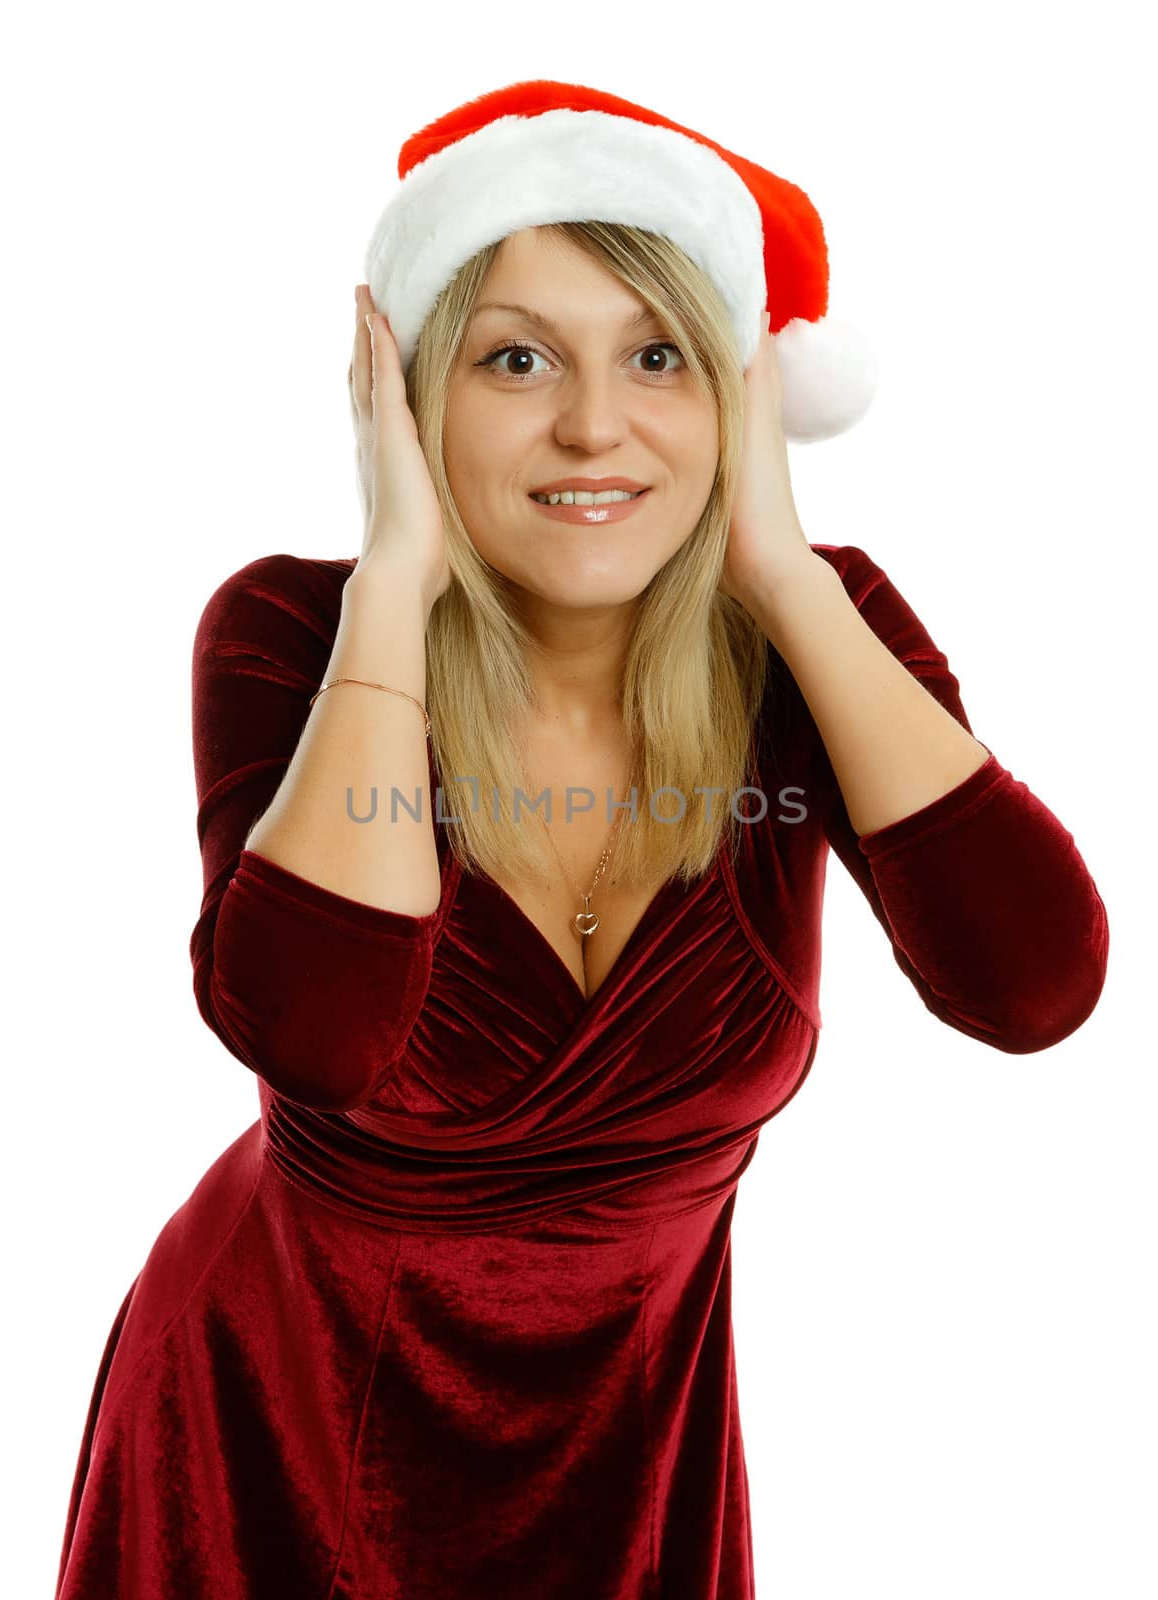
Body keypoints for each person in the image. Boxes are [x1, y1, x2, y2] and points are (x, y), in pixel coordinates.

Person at [54, 80, 1110, 1600]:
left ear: (742, 394)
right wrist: (396, 586)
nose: (595, 425)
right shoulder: (294, 631)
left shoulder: (818, 642)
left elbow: (1033, 988)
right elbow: (318, 1032)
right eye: (516, 358)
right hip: (271, 1433)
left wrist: (782, 568)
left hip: (632, 1468)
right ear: (414, 396)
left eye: (660, 357)